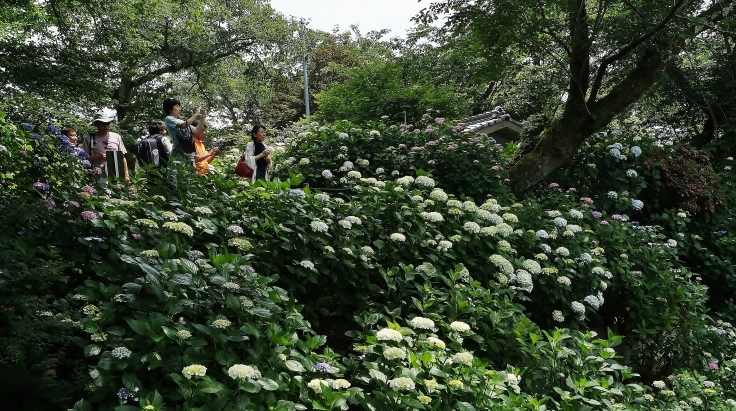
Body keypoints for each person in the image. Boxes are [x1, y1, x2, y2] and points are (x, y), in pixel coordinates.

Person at [83, 111, 128, 181]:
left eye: (107, 123)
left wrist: (126, 175)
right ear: (96, 124)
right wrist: (97, 157)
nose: (105, 126)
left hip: (116, 174)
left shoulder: (117, 137)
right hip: (98, 175)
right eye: (102, 124)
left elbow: (123, 157)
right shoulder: (90, 138)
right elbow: (83, 157)